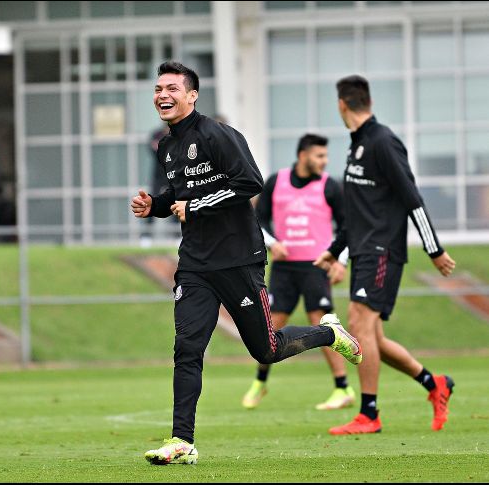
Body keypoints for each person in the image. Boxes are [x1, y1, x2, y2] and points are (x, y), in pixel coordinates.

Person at [130, 61, 363, 466]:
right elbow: (180, 197)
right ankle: (181, 440)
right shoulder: (167, 147)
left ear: (192, 95)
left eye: (171, 88)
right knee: (187, 348)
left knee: (266, 350)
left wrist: (195, 205)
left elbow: (249, 182)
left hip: (239, 260)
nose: (161, 95)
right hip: (195, 265)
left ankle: (329, 334)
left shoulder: (219, 135)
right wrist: (156, 206)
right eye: (157, 89)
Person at [314, 74, 457, 435]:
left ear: (341, 105)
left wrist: (434, 249)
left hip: (382, 252)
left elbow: (412, 198)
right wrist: (334, 251)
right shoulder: (356, 145)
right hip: (362, 251)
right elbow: (355, 212)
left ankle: (370, 415)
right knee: (372, 339)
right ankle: (434, 383)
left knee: (359, 326)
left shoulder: (383, 142)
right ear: (369, 102)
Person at [242, 134, 355, 411]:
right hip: (283, 269)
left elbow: (348, 226)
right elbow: (257, 219)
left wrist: (340, 260)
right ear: (303, 155)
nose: (324, 161)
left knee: (323, 323)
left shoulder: (330, 186)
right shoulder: (276, 182)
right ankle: (260, 382)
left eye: (325, 156)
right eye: (319, 156)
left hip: (317, 267)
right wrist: (272, 243)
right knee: (271, 327)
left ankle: (343, 388)